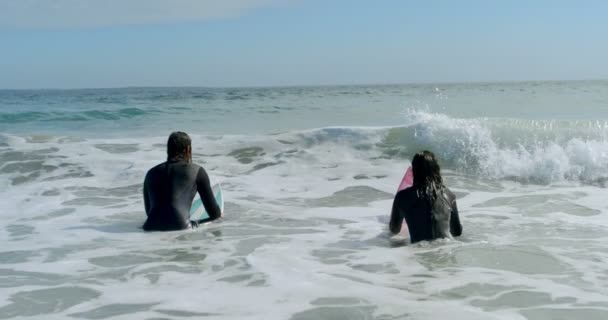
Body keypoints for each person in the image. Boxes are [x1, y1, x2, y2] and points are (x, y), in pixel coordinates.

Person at [143, 132, 222, 231]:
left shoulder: (150, 173)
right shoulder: (196, 171)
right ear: (188, 149)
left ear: (168, 150)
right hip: (180, 227)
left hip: (150, 227)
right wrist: (195, 223)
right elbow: (214, 214)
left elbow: (148, 212)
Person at [389, 150, 462, 243]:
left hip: (421, 251)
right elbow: (457, 232)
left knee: (396, 244)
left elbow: (394, 229)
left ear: (414, 171)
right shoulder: (449, 194)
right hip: (446, 248)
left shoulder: (403, 196)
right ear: (436, 170)